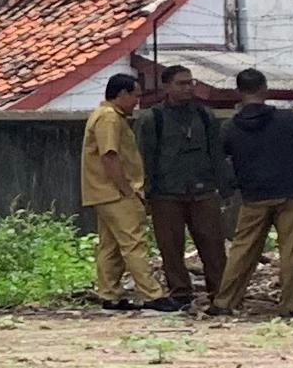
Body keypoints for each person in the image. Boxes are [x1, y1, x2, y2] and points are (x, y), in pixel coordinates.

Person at [217, 67, 293, 317]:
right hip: (291, 191)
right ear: (264, 89)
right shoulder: (287, 119)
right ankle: (292, 305)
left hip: (253, 195)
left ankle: (225, 301)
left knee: (242, 249)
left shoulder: (230, 127)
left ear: (238, 92)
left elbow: (223, 158)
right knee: (292, 250)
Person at [141, 73, 233, 309]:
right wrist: (147, 194)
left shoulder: (204, 115)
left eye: (190, 83)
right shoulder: (153, 118)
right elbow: (144, 158)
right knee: (170, 247)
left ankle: (221, 294)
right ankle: (180, 294)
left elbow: (217, 154)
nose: (188, 88)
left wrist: (224, 188)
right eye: (181, 84)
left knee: (213, 245)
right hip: (166, 193)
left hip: (203, 191)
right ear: (166, 87)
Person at [84, 74, 173, 311]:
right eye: (135, 95)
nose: (137, 101)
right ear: (121, 94)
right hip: (115, 192)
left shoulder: (106, 115)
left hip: (103, 191)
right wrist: (127, 190)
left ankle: (110, 294)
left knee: (111, 245)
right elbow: (109, 155)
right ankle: (152, 295)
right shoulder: (110, 118)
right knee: (134, 243)